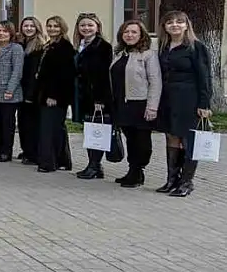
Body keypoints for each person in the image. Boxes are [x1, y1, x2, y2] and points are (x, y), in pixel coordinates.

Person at [156, 11, 212, 197]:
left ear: (186, 25)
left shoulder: (196, 47)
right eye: (170, 22)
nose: (175, 25)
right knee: (172, 136)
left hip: (189, 98)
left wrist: (204, 104)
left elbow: (205, 78)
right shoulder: (163, 47)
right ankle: (172, 179)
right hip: (167, 98)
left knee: (188, 140)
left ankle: (187, 182)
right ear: (164, 27)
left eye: (179, 22)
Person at [108, 20, 162, 188]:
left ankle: (139, 171)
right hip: (122, 103)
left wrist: (152, 107)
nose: (129, 35)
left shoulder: (148, 54)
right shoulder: (119, 53)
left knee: (141, 140)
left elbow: (156, 81)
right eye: (126, 32)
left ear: (141, 35)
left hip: (140, 104)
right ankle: (132, 170)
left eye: (133, 32)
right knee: (130, 138)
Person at [74, 12, 112, 180]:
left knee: (97, 131)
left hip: (96, 97)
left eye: (90, 25)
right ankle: (94, 164)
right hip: (83, 95)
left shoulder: (103, 46)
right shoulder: (81, 44)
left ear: (97, 27)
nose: (86, 28)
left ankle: (94, 165)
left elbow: (102, 75)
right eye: (83, 25)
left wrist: (100, 100)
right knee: (89, 130)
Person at [35, 16, 75, 173]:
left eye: (56, 26)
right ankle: (62, 160)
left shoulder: (64, 48)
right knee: (57, 129)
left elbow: (63, 75)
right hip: (45, 93)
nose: (52, 29)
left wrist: (53, 95)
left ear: (62, 28)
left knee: (48, 129)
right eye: (49, 26)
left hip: (55, 96)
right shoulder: (49, 45)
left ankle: (48, 163)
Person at [0, 21, 25, 163]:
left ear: (11, 33)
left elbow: (17, 71)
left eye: (4, 31)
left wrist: (10, 89)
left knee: (7, 124)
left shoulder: (15, 48)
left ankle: (6, 152)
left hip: (8, 92)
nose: (1, 33)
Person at [17, 16, 46, 165]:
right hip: (21, 90)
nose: (28, 28)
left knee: (31, 124)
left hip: (32, 92)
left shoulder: (40, 46)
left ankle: (33, 153)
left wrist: (30, 94)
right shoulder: (21, 44)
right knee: (22, 122)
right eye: (26, 26)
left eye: (32, 26)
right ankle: (26, 150)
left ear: (37, 28)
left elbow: (36, 74)